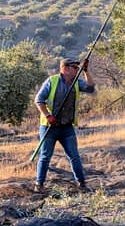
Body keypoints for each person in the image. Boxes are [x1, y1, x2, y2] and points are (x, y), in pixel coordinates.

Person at [33, 57, 96, 193]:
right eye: (75, 68)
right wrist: (48, 116)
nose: (76, 70)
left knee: (74, 156)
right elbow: (39, 100)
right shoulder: (52, 81)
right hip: (49, 128)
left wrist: (86, 71)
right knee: (45, 156)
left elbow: (91, 88)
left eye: (78, 68)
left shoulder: (77, 82)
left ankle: (82, 184)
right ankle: (39, 185)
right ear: (65, 68)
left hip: (67, 127)